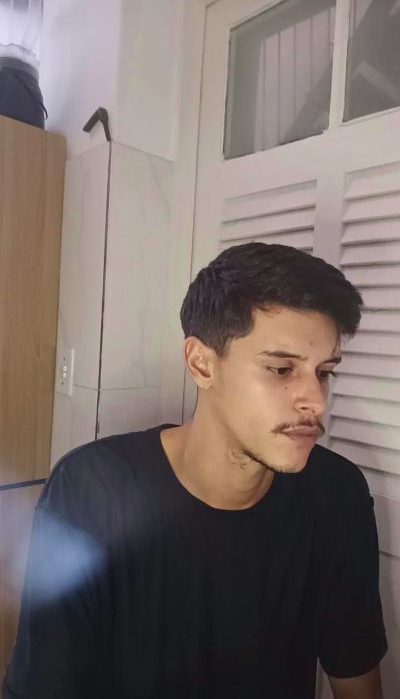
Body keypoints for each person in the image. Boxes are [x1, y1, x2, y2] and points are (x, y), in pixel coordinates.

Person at [3, 243, 387, 698]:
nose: (316, 402)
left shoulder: (335, 495)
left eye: (323, 372)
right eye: (282, 370)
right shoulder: (91, 489)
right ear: (202, 364)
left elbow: (356, 677)